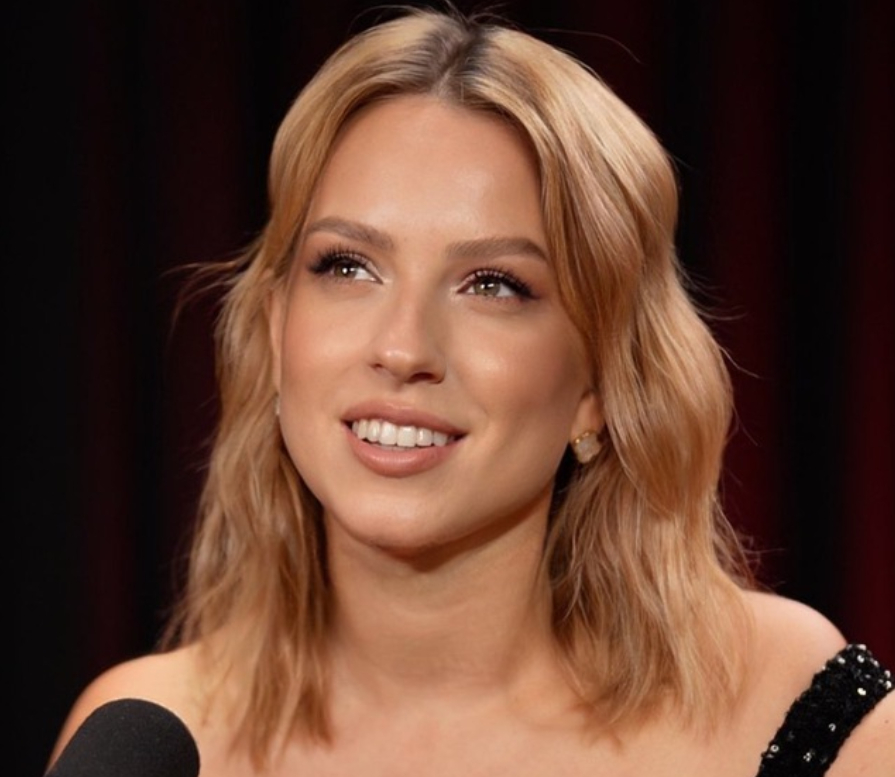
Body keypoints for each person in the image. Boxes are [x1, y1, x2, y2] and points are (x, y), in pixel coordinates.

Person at [46, 5, 893, 776]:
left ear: (601, 381)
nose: (401, 347)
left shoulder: (785, 704)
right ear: (275, 331)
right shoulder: (149, 734)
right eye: (348, 266)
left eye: (492, 284)